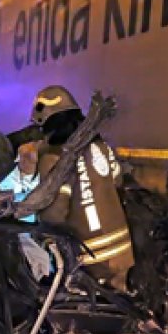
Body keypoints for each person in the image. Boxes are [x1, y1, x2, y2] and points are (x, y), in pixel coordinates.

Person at [29, 85, 134, 291]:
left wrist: (38, 231)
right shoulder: (101, 147)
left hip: (91, 261)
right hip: (123, 251)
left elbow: (55, 214)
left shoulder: (54, 158)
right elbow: (116, 181)